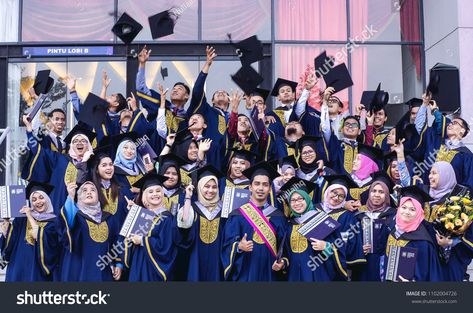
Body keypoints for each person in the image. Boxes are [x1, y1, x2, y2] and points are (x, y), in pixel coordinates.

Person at [221, 162, 287, 281]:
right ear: (250, 187)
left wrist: (282, 262)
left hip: (270, 274)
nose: (260, 188)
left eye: (265, 185)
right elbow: (226, 245)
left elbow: (285, 249)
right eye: (257, 184)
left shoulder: (278, 216)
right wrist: (238, 246)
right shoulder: (237, 215)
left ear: (270, 189)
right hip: (245, 273)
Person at [22, 117, 96, 213]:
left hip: (83, 212)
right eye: (75, 141)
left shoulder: (93, 164)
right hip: (58, 206)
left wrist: (84, 161)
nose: (79, 143)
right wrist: (29, 129)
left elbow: (80, 182)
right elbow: (38, 150)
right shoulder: (59, 159)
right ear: (71, 145)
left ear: (89, 145)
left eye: (83, 141)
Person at [283, 186, 349, 281]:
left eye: (300, 199)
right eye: (292, 200)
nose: (296, 203)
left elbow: (339, 247)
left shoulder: (322, 221)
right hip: (294, 275)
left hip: (317, 274)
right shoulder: (290, 225)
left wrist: (327, 246)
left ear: (307, 199)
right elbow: (286, 252)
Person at [60, 182, 122, 281]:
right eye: (84, 190)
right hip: (78, 270)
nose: (89, 192)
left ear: (98, 195)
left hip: (103, 269)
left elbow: (116, 241)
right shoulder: (76, 216)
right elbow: (67, 224)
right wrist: (70, 196)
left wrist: (118, 263)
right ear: (78, 197)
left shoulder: (109, 218)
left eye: (93, 190)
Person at [176, 165, 227, 281]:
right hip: (195, 258)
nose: (210, 190)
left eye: (214, 187)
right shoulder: (192, 208)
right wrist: (188, 197)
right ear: (199, 187)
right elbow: (184, 223)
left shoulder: (224, 210)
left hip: (217, 260)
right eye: (206, 186)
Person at [123, 173, 177, 281]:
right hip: (138, 264)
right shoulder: (142, 215)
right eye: (150, 192)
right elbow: (127, 241)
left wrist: (142, 240)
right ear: (144, 195)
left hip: (154, 269)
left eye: (158, 191)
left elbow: (166, 246)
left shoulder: (167, 217)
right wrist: (133, 216)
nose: (155, 194)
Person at [0, 182, 59, 281]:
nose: (38, 202)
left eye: (41, 197)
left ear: (47, 199)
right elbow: (11, 239)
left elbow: (44, 241)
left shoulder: (54, 222)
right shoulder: (21, 219)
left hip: (37, 272)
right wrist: (6, 222)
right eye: (34, 199)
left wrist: (29, 215)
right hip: (17, 268)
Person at [413, 92, 473, 189]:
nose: (450, 124)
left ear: (462, 131)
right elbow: (419, 129)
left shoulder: (467, 156)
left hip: (450, 200)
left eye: (454, 123)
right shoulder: (435, 143)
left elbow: (469, 183)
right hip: (427, 194)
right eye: (450, 123)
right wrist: (425, 104)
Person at [382, 186, 442, 281]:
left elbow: (428, 275)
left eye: (412, 209)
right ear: (398, 208)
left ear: (419, 213)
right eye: (404, 207)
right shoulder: (393, 231)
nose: (407, 212)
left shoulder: (423, 242)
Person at [351, 172, 397, 281]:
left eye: (381, 192)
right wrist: (358, 249)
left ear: (386, 195)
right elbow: (350, 239)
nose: (376, 195)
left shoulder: (394, 215)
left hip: (383, 263)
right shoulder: (358, 214)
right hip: (362, 263)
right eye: (373, 191)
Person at [316, 175, 366, 270]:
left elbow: (350, 242)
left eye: (341, 196)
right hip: (310, 257)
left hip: (333, 263)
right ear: (327, 191)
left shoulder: (347, 217)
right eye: (334, 193)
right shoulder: (314, 209)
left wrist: (328, 246)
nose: (336, 198)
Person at [135, 45, 189, 131]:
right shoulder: (160, 102)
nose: (175, 90)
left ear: (186, 96)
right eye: (174, 89)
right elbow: (141, 89)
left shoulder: (188, 117)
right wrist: (142, 64)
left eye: (180, 88)